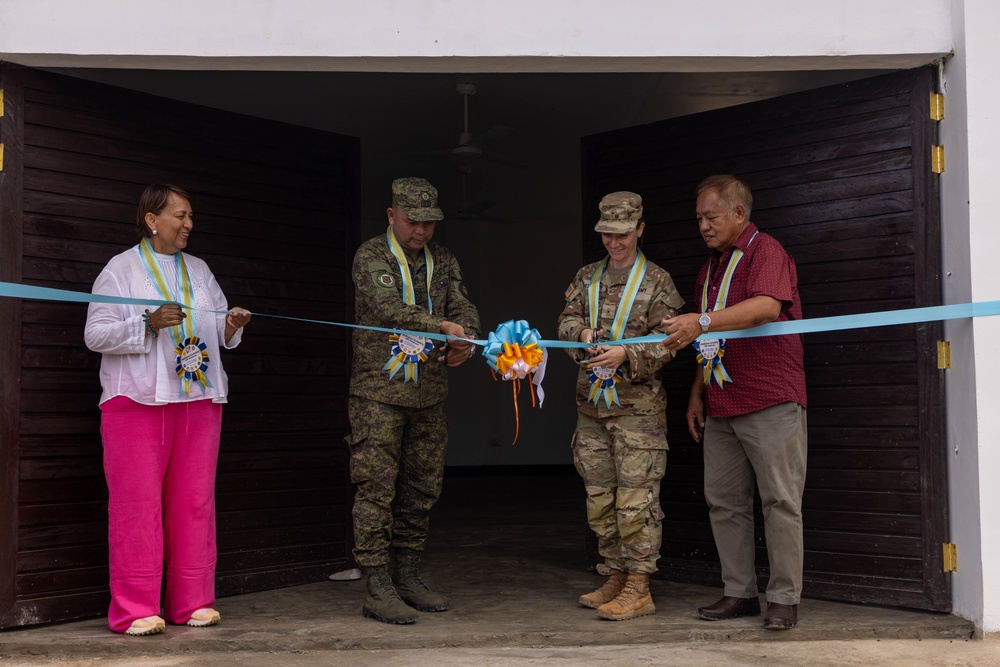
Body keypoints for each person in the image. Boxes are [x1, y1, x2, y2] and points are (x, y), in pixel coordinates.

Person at [84, 183, 252, 636]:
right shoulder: (120, 269)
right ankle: (136, 608)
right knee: (136, 506)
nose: (188, 225)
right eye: (179, 216)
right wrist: (147, 322)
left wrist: (231, 323)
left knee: (194, 503)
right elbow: (95, 334)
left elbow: (218, 326)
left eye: (191, 216)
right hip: (136, 400)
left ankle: (192, 601)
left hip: (197, 398)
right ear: (152, 219)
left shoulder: (198, 269)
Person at [661, 174, 808, 630]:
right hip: (722, 400)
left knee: (779, 501)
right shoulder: (711, 268)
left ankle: (783, 598)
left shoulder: (766, 251)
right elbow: (712, 337)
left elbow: (766, 306)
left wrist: (700, 319)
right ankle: (739, 592)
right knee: (724, 502)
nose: (703, 225)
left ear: (739, 214)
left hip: (769, 396)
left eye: (712, 216)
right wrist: (696, 394)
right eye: (699, 218)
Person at [347, 177, 480, 624]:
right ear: (391, 216)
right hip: (378, 396)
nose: (421, 231)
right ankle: (376, 582)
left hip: (429, 394)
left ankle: (406, 572)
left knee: (422, 487)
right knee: (376, 487)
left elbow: (463, 306)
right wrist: (442, 326)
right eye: (412, 222)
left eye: (429, 223)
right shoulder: (371, 255)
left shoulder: (443, 260)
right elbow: (390, 308)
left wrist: (467, 338)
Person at [557, 191, 685, 621]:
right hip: (591, 409)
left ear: (640, 229)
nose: (615, 243)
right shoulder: (588, 276)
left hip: (637, 415)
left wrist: (626, 355)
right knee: (600, 500)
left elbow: (669, 343)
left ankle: (639, 586)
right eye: (608, 234)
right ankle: (614, 573)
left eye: (623, 234)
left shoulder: (659, 282)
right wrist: (582, 336)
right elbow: (566, 320)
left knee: (636, 502)